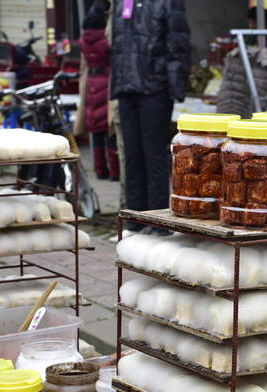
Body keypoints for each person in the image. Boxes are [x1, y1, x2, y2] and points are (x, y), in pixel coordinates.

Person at [110, 0, 190, 231]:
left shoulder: (167, 2)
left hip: (155, 88)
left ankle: (157, 222)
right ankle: (135, 221)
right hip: (126, 87)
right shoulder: (123, 2)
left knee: (153, 156)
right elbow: (117, 45)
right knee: (132, 156)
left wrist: (175, 89)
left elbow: (179, 44)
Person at [74, 1, 118, 181]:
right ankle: (115, 172)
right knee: (110, 128)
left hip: (91, 84)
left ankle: (100, 171)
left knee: (96, 129)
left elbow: (83, 65)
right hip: (107, 82)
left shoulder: (84, 38)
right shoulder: (107, 35)